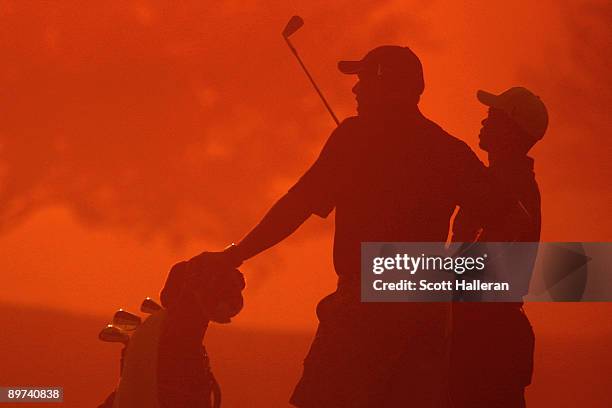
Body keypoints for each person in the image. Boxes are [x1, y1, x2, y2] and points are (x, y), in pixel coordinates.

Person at [162, 45, 490, 407]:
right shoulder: (449, 151)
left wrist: (236, 255)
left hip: (364, 310)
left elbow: (297, 205)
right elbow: (509, 218)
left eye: (363, 80)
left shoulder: (355, 138)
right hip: (427, 315)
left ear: (387, 86)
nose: (355, 90)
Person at [451, 87, 548, 407]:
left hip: (486, 337)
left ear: (512, 130)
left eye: (494, 117)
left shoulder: (509, 185)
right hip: (490, 331)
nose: (484, 121)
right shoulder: (505, 180)